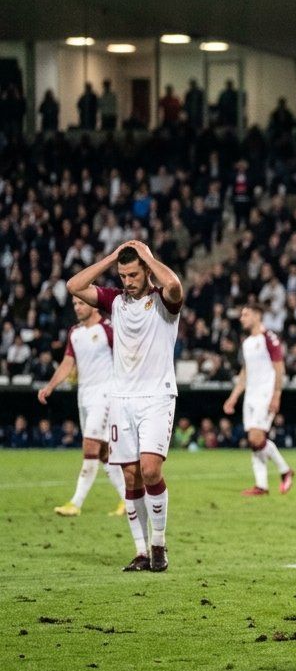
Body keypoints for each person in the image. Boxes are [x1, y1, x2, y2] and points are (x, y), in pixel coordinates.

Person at [67, 240, 183, 573]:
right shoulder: (115, 301)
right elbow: (74, 286)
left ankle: (159, 543)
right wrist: (111, 258)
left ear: (147, 270)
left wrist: (146, 255)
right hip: (121, 400)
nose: (127, 281)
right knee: (130, 476)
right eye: (123, 275)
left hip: (157, 397)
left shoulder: (164, 302)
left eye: (133, 274)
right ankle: (141, 551)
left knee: (150, 470)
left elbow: (174, 284)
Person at [40, 296, 128, 517]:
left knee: (89, 446)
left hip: (105, 393)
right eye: (75, 305)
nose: (77, 308)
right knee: (102, 453)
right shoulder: (75, 333)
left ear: (92, 303)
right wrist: (50, 386)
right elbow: (68, 363)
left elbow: (127, 356)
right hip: (84, 395)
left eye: (81, 303)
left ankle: (75, 503)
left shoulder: (108, 329)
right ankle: (129, 500)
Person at [222, 303, 294, 497]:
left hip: (265, 394)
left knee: (256, 437)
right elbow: (245, 372)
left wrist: (277, 394)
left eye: (245, 314)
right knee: (254, 442)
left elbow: (279, 367)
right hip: (251, 396)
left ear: (256, 316)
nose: (241, 318)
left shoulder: (268, 338)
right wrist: (233, 397)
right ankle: (261, 486)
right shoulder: (246, 343)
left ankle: (285, 470)